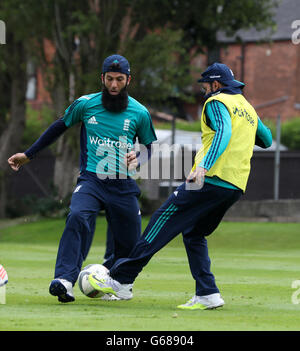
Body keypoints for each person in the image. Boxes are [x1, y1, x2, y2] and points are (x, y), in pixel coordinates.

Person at [88, 62, 273, 309]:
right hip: (235, 185)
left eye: (206, 86)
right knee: (194, 233)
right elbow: (267, 139)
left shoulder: (216, 102)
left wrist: (203, 166)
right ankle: (208, 293)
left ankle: (121, 280)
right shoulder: (246, 107)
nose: (204, 91)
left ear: (215, 85)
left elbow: (223, 133)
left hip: (210, 179)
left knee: (161, 220)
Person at [7, 54, 157, 303]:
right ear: (102, 78)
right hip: (91, 181)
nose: (114, 85)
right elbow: (58, 126)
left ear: (128, 80)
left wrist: (138, 158)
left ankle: (118, 283)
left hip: (122, 185)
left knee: (131, 243)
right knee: (77, 216)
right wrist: (28, 154)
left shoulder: (139, 112)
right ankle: (64, 280)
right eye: (109, 79)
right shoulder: (85, 104)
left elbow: (150, 146)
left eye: (119, 79)